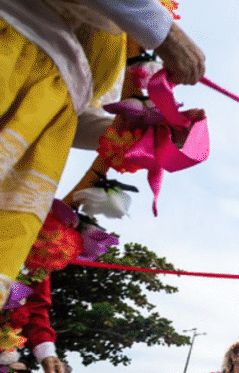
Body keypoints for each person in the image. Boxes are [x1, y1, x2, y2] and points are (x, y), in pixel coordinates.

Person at [0, 2, 204, 307]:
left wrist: (150, 131)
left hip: (40, 135)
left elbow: (78, 118)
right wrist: (164, 32)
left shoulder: (115, 40)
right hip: (12, 52)